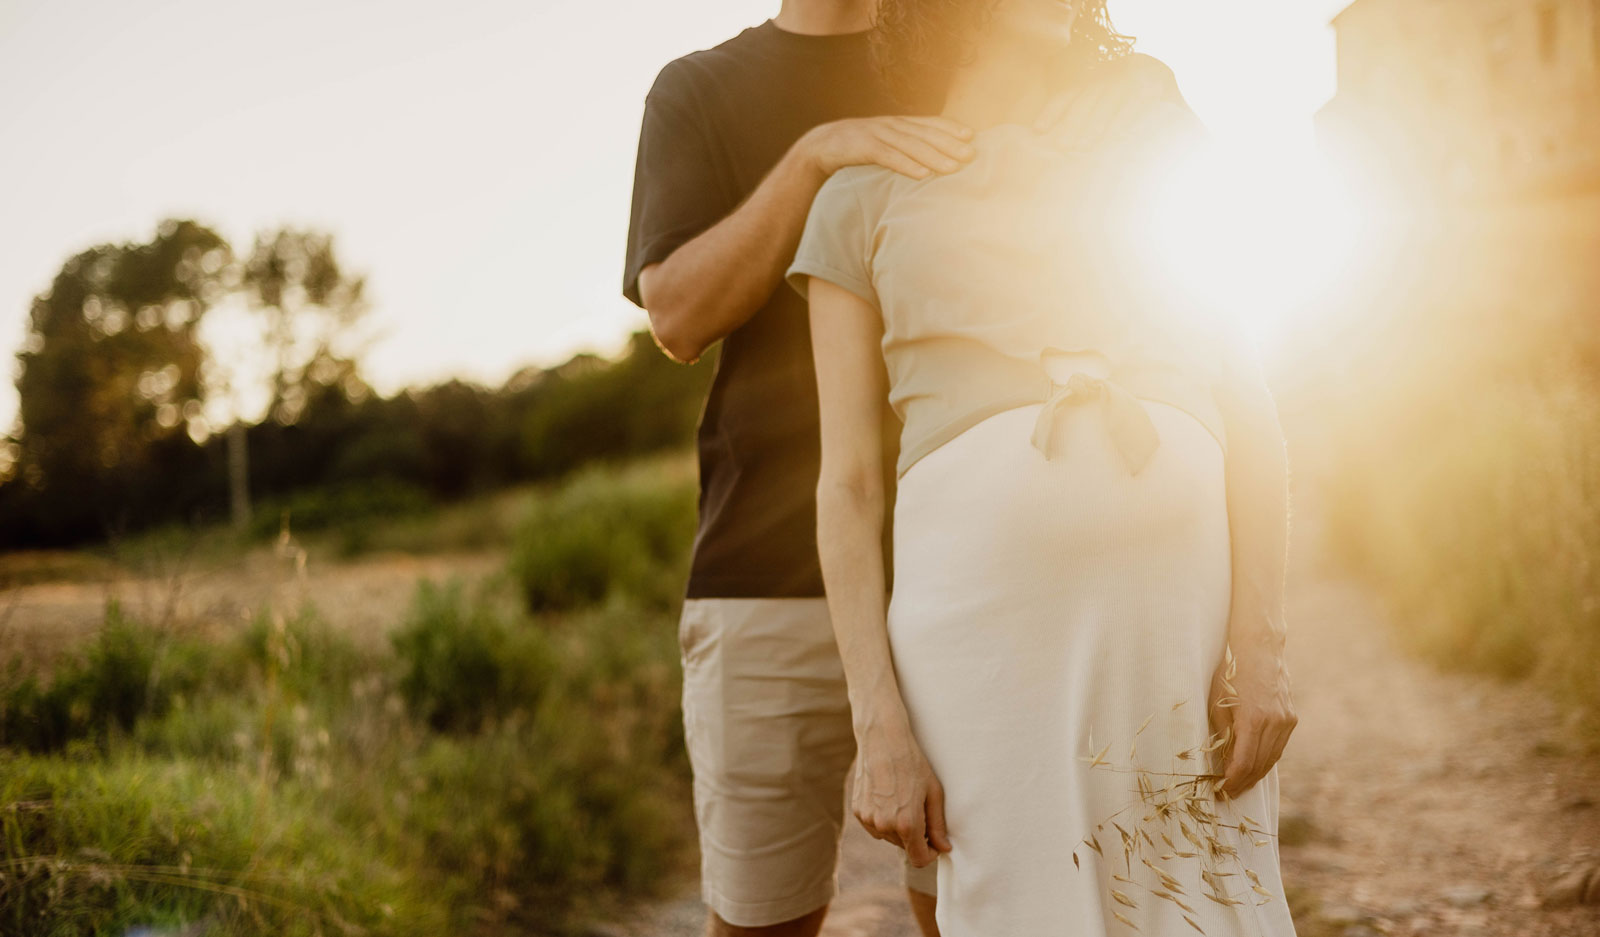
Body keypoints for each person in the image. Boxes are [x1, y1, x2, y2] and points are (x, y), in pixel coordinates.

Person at [621, 2, 1180, 934]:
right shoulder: (700, 89)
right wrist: (816, 155)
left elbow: (1125, 153)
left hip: (978, 585)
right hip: (771, 576)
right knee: (761, 923)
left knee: (972, 912)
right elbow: (675, 313)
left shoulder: (961, 45)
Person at [786, 0, 1302, 934]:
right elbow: (850, 485)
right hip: (974, 639)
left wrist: (1262, 647)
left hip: (1169, 619)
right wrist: (880, 725)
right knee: (1020, 908)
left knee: (1201, 903)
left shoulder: (1147, 143)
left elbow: (1252, 412)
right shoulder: (860, 194)